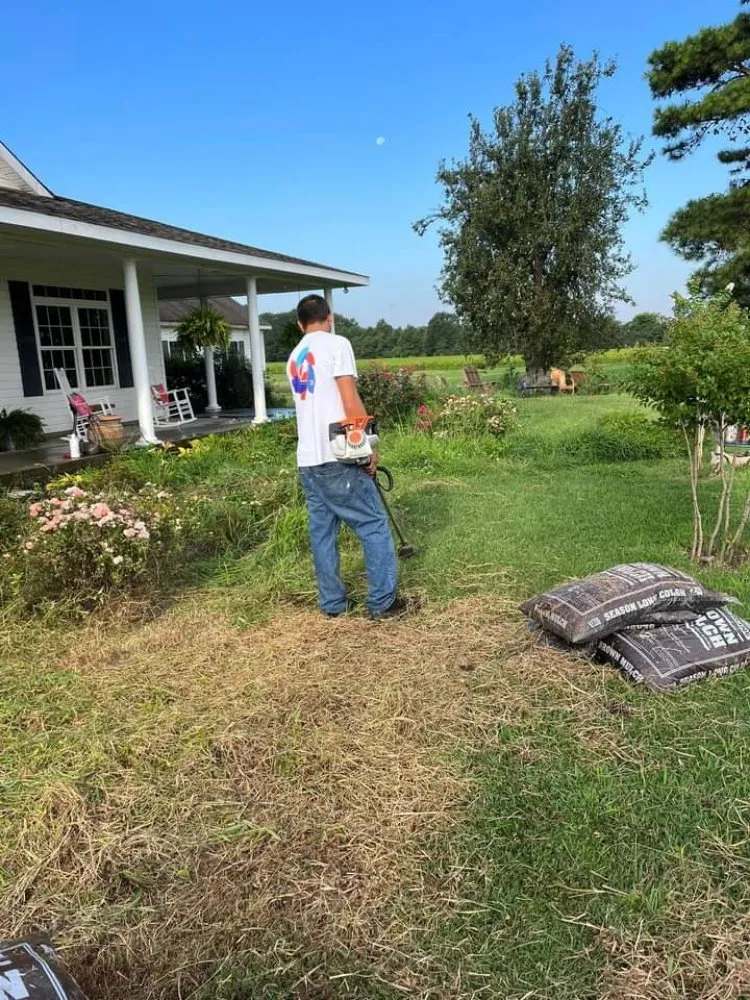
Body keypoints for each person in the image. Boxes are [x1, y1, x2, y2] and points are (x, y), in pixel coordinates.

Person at [287, 294, 406, 619]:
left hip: (308, 459)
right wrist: (368, 447)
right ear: (330, 317)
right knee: (372, 523)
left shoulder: (295, 357)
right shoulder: (338, 344)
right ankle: (382, 602)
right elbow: (349, 399)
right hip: (338, 455)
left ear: (300, 324)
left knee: (322, 533)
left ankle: (332, 604)